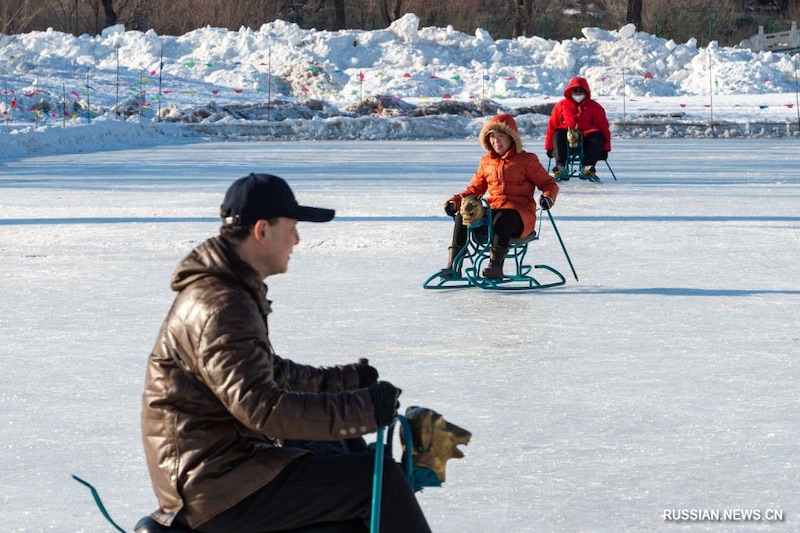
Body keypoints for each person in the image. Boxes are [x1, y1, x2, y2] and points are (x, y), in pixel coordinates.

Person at [139, 173, 430, 533]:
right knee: (380, 482)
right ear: (262, 231)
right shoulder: (221, 304)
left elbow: (269, 373)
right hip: (214, 486)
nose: (297, 239)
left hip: (224, 468)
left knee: (342, 444)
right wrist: (366, 410)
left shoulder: (229, 291)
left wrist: (343, 382)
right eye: (291, 226)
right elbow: (263, 408)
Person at [441, 114, 559, 279]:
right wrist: (455, 201)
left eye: (500, 136)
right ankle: (454, 265)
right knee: (463, 214)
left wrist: (548, 197)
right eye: (492, 137)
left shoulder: (527, 160)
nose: (496, 141)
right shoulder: (486, 162)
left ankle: (495, 267)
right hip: (494, 210)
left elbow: (549, 183)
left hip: (519, 215)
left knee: (503, 216)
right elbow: (474, 189)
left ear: (512, 138)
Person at [544, 76, 611, 179]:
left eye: (581, 91)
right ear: (570, 92)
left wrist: (605, 149)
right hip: (566, 137)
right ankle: (560, 166)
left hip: (587, 138)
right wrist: (549, 147)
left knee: (598, 135)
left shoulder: (595, 107)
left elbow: (603, 127)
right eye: (575, 91)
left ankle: (587, 167)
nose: (578, 94)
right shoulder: (561, 105)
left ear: (586, 92)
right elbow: (552, 126)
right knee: (557, 132)